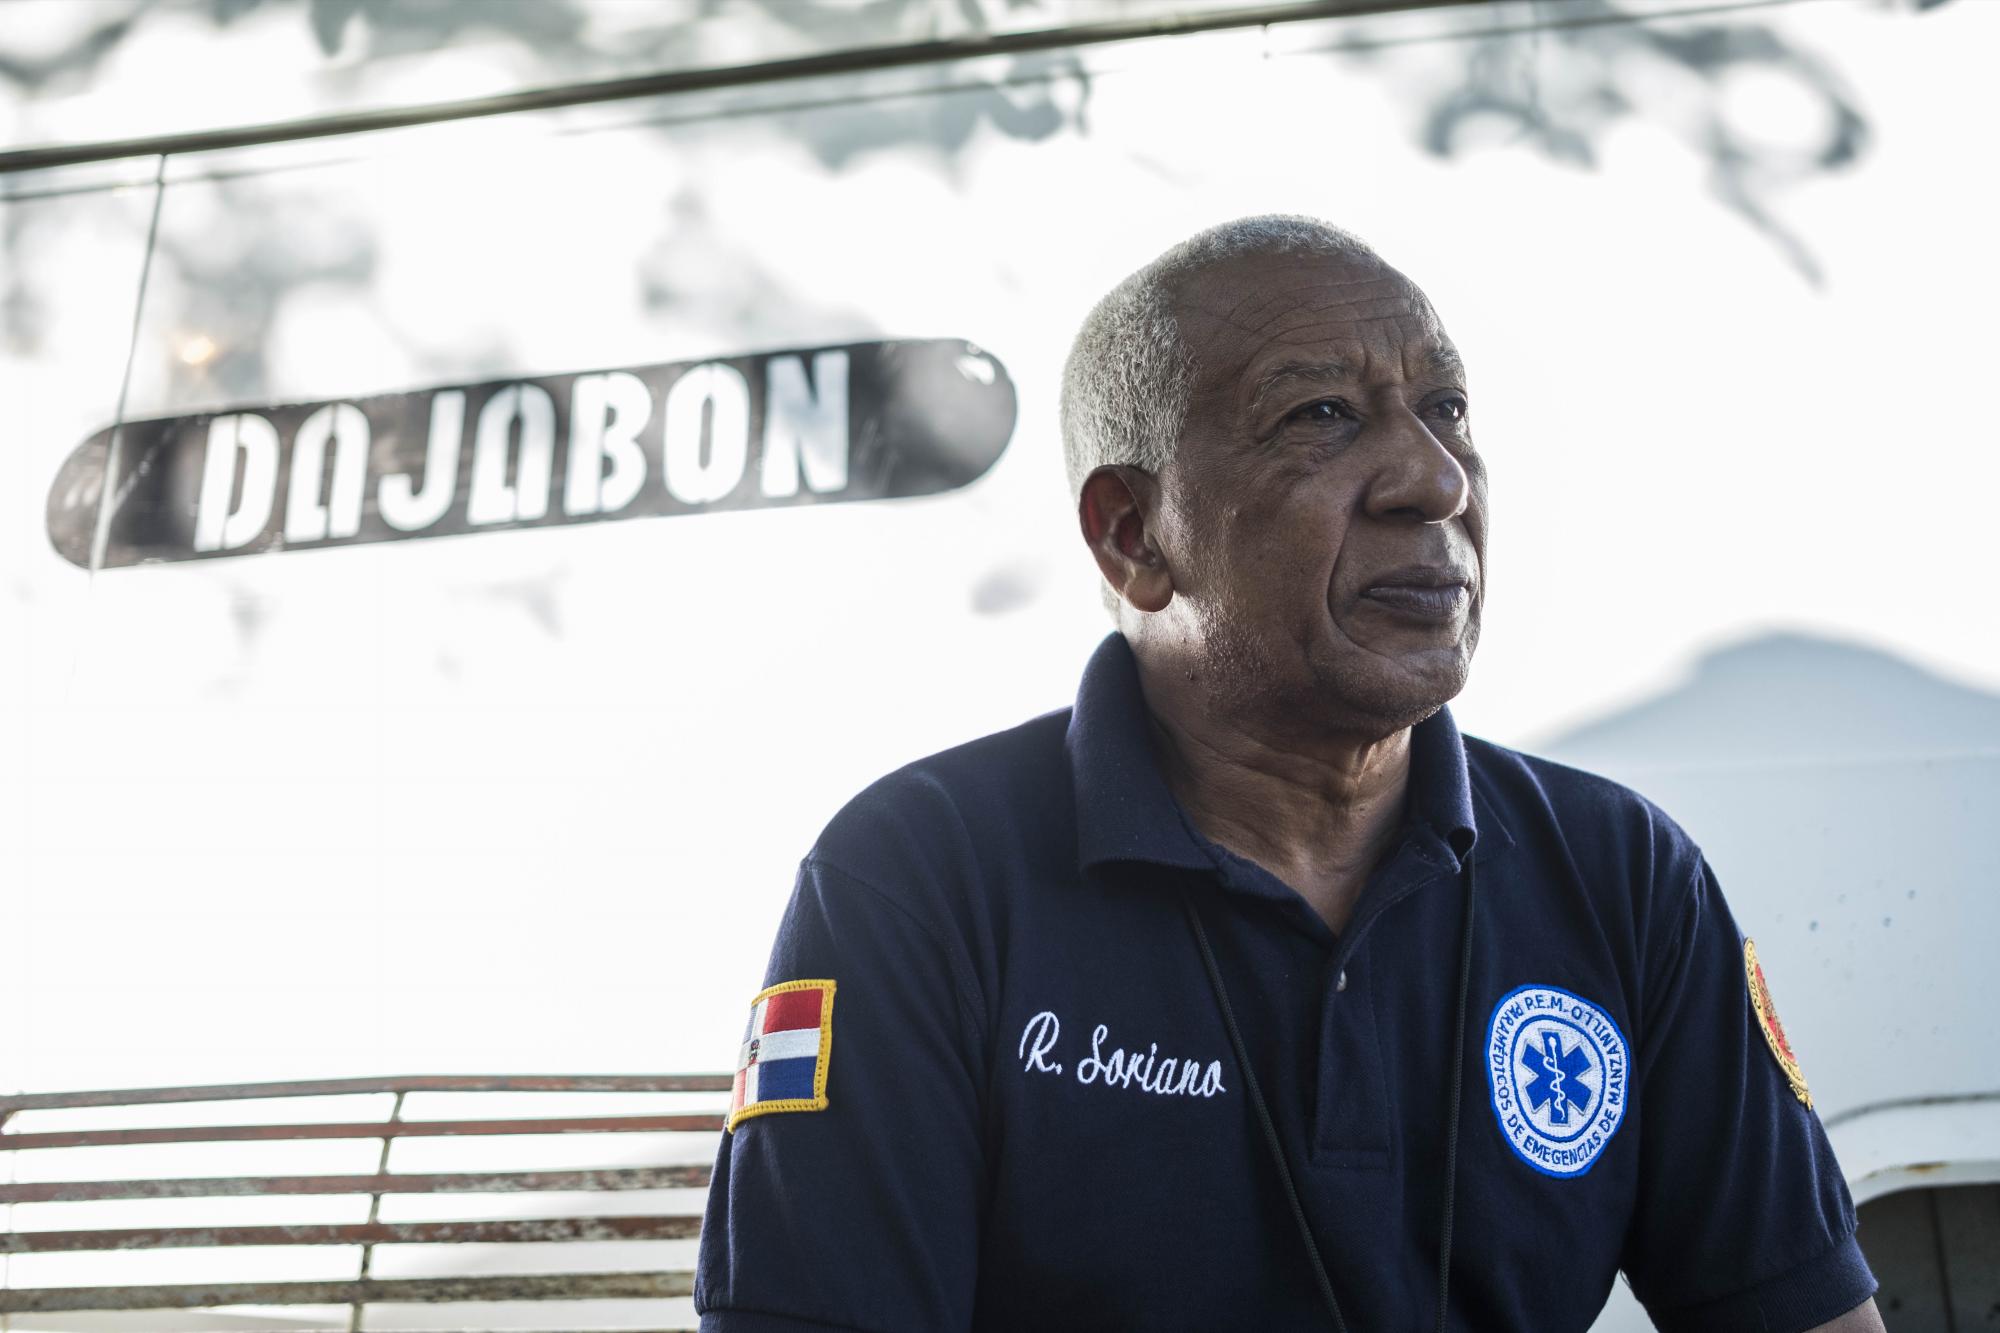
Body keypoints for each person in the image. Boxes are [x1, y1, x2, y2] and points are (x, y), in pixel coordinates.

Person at [693, 215, 1883, 1332]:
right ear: (1132, 537)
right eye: (1320, 414)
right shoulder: (916, 876)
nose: (1437, 481)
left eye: (1447, 406)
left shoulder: (1621, 874)